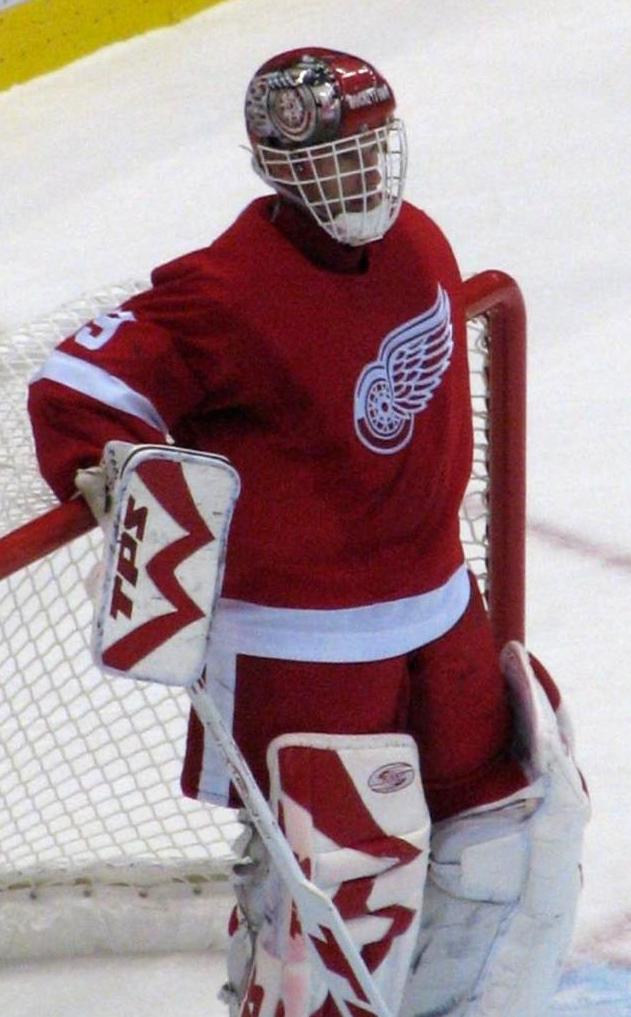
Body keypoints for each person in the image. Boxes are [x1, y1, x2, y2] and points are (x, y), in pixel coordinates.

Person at [28, 47, 588, 1017]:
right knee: (336, 884)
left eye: (371, 150)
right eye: (334, 159)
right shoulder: (226, 288)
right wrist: (109, 467)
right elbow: (80, 381)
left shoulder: (417, 241)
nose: (361, 175)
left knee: (504, 835)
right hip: (301, 638)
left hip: (437, 600)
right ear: (277, 166)